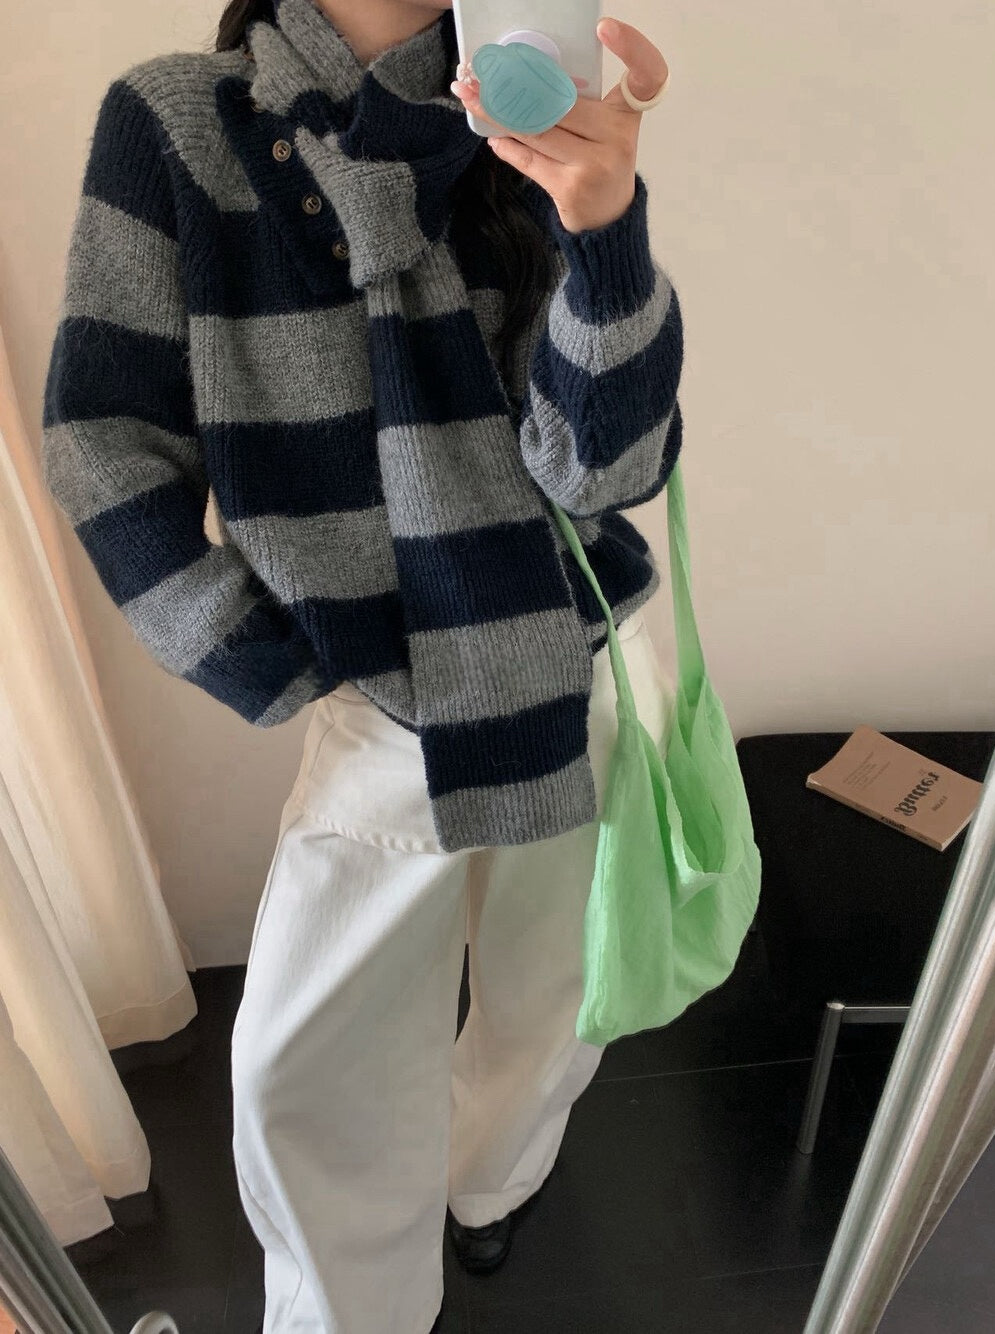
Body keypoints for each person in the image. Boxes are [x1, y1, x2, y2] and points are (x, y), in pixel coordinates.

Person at [40, 1, 680, 1329]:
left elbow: (605, 469)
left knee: (555, 1000)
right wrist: (260, 660)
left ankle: (489, 1183)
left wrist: (610, 224)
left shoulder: (530, 102)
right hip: (382, 703)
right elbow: (102, 439)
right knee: (305, 1078)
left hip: (578, 661)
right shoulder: (181, 123)